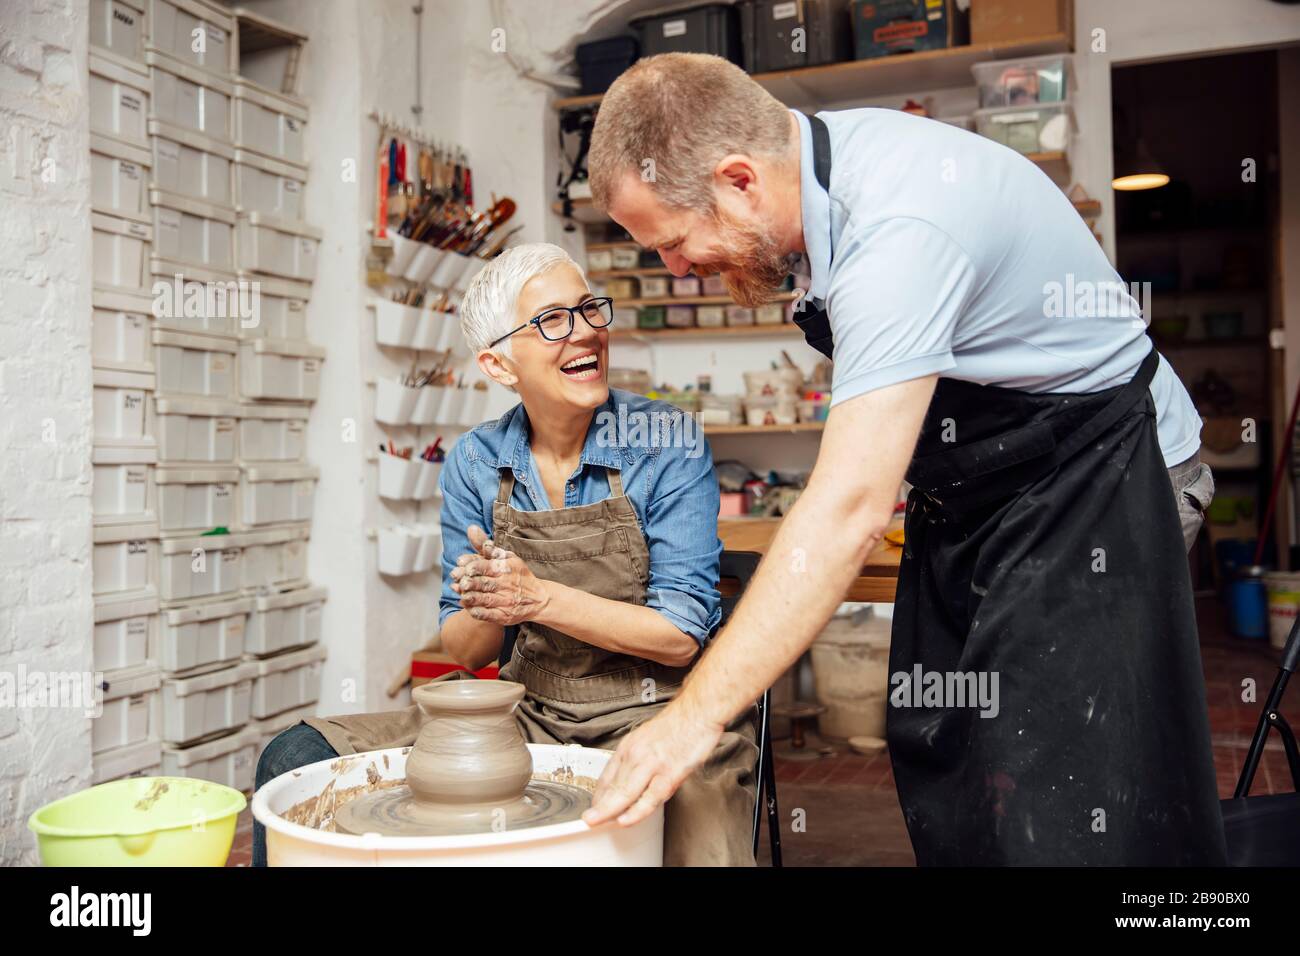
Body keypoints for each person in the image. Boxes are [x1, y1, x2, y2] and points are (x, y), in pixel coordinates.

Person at [580, 53, 1226, 866]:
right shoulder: (803, 196)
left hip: (1106, 479)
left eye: (673, 242)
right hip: (990, 488)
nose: (674, 268)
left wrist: (692, 718)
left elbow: (849, 509)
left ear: (739, 179)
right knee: (947, 743)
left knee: (1059, 785)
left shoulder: (900, 228)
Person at [253, 243, 756, 866]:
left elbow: (679, 637)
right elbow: (464, 652)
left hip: (660, 713)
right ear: (499, 364)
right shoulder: (476, 460)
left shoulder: (665, 440)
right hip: (528, 715)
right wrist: (487, 601)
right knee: (294, 757)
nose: (586, 334)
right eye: (552, 320)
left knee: (701, 838)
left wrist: (538, 597)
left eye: (590, 309)